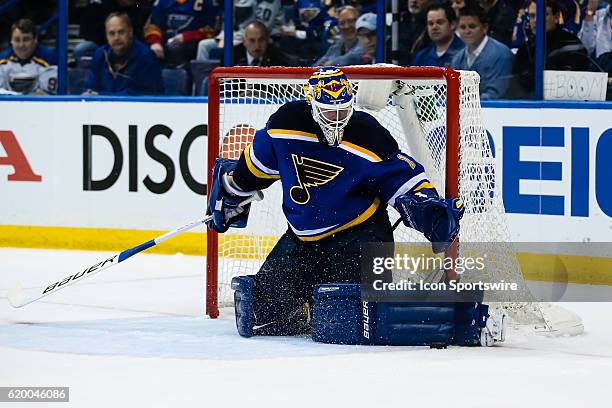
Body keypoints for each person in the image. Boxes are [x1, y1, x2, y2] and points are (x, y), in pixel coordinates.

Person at [205, 67, 468, 339]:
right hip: (302, 241)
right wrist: (233, 193)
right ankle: (305, 306)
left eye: (343, 110)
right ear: (313, 105)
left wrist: (429, 211)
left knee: (346, 322)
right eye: (330, 112)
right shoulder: (285, 125)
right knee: (261, 312)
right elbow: (254, 167)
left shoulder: (367, 135)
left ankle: (327, 302)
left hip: (360, 237)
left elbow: (405, 181)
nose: (338, 119)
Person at [510, 0, 590, 98]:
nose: (536, 20)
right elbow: (516, 85)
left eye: (544, 15)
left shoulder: (571, 45)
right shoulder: (525, 49)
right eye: (532, 16)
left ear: (556, 17)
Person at [84, 12, 164, 95]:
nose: (116, 38)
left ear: (130, 32)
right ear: (106, 35)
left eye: (121, 32)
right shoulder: (100, 54)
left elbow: (149, 94)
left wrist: (103, 95)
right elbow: (91, 87)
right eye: (111, 33)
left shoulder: (146, 56)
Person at [451, 5, 514, 100]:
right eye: (463, 27)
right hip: (466, 112)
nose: (467, 31)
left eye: (472, 26)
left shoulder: (501, 54)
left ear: (485, 28)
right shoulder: (457, 58)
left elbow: (494, 94)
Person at [144, 0, 221, 66]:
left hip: (192, 45)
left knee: (175, 48)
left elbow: (212, 29)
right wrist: (155, 42)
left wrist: (186, 37)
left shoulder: (205, 2)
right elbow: (153, 26)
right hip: (165, 43)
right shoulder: (162, 2)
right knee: (147, 52)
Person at [0, 18, 57, 94]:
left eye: (26, 39)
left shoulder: (50, 59)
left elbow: (50, 95)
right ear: (11, 41)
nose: (21, 45)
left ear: (35, 40)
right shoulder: (2, 60)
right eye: (17, 40)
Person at [413, 2, 465, 67]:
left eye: (440, 22)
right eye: (430, 23)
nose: (434, 27)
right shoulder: (421, 56)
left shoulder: (465, 53)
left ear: (453, 24)